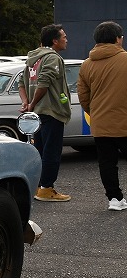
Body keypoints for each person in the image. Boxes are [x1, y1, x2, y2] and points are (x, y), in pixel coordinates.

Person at [75, 20, 127, 211]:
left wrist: (95, 113)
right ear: (117, 39)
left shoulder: (87, 64)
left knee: (107, 163)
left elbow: (83, 96)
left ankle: (114, 199)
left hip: (101, 123)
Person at [19, 24, 72, 202]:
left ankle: (36, 186)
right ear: (54, 41)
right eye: (63, 36)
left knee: (39, 151)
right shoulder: (52, 58)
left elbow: (21, 82)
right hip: (51, 111)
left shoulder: (32, 58)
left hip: (37, 115)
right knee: (52, 152)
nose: (66, 39)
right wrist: (32, 103)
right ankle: (47, 189)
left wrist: (26, 103)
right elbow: (44, 82)